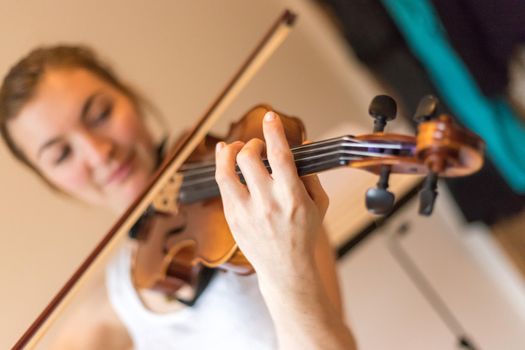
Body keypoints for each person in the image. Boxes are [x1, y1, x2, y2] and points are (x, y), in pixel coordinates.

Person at [0, 45, 356, 349]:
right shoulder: (116, 297)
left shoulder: (256, 191)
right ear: (52, 182)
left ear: (130, 96)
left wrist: (286, 266)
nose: (98, 153)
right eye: (62, 154)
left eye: (100, 114)